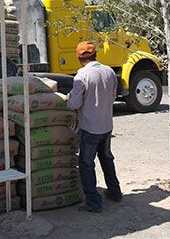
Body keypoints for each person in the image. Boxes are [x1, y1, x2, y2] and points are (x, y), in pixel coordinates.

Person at [67, 41, 122, 213]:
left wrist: (68, 98)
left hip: (90, 127)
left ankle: (93, 202)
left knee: (86, 164)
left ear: (78, 57)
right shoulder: (109, 71)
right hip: (106, 125)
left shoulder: (81, 76)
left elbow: (74, 104)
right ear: (95, 54)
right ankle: (115, 192)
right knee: (106, 158)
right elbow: (113, 96)